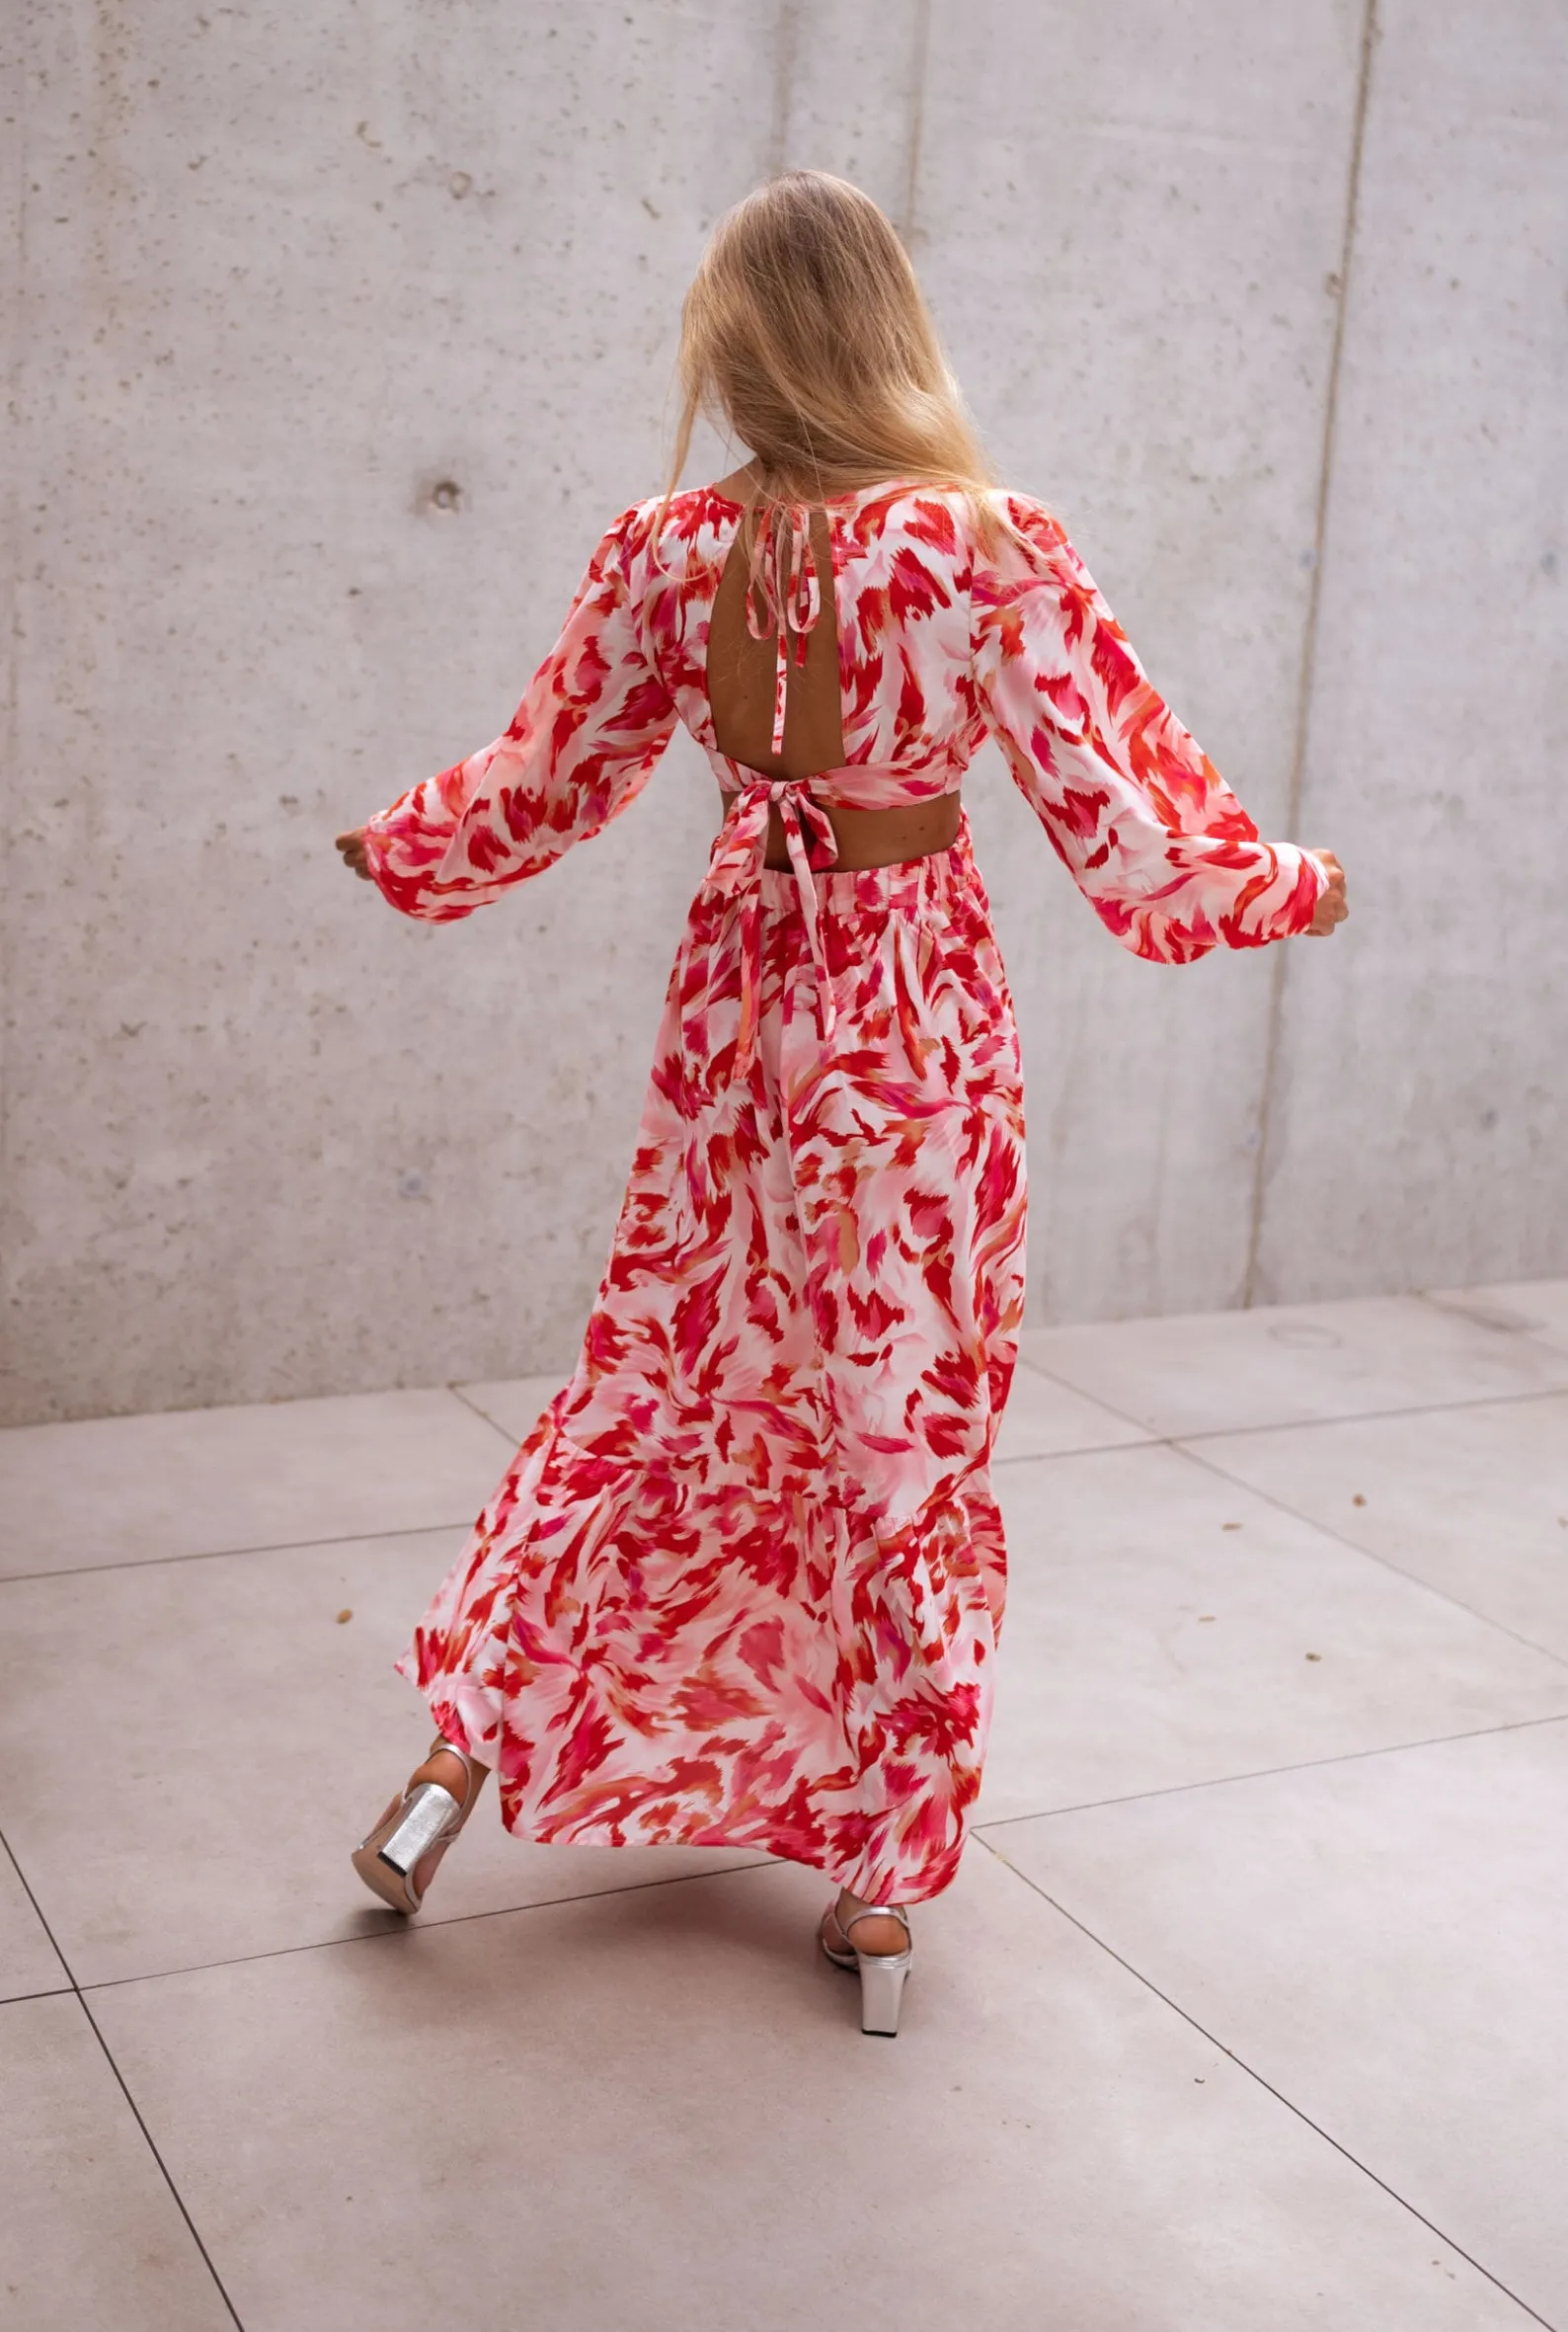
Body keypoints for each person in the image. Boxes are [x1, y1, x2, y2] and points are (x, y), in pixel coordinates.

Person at [335, 169, 1347, 2037]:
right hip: (910, 1024)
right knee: (900, 1413)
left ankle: (444, 1775)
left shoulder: (664, 550)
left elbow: (544, 780)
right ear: (887, 333)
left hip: (737, 1010)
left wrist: (407, 843)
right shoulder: (983, 544)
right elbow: (1129, 832)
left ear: (732, 343)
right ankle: (878, 1887)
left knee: (656, 1374)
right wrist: (1288, 881)